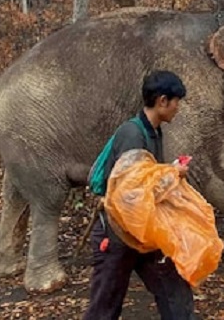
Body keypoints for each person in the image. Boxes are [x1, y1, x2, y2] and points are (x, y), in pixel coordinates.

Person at [84, 70, 197, 320]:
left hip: (144, 232)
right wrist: (171, 174)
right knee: (104, 307)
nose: (178, 108)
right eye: (176, 101)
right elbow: (130, 194)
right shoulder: (132, 134)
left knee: (174, 292)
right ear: (162, 101)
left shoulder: (154, 132)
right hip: (116, 234)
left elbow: (146, 179)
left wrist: (170, 173)